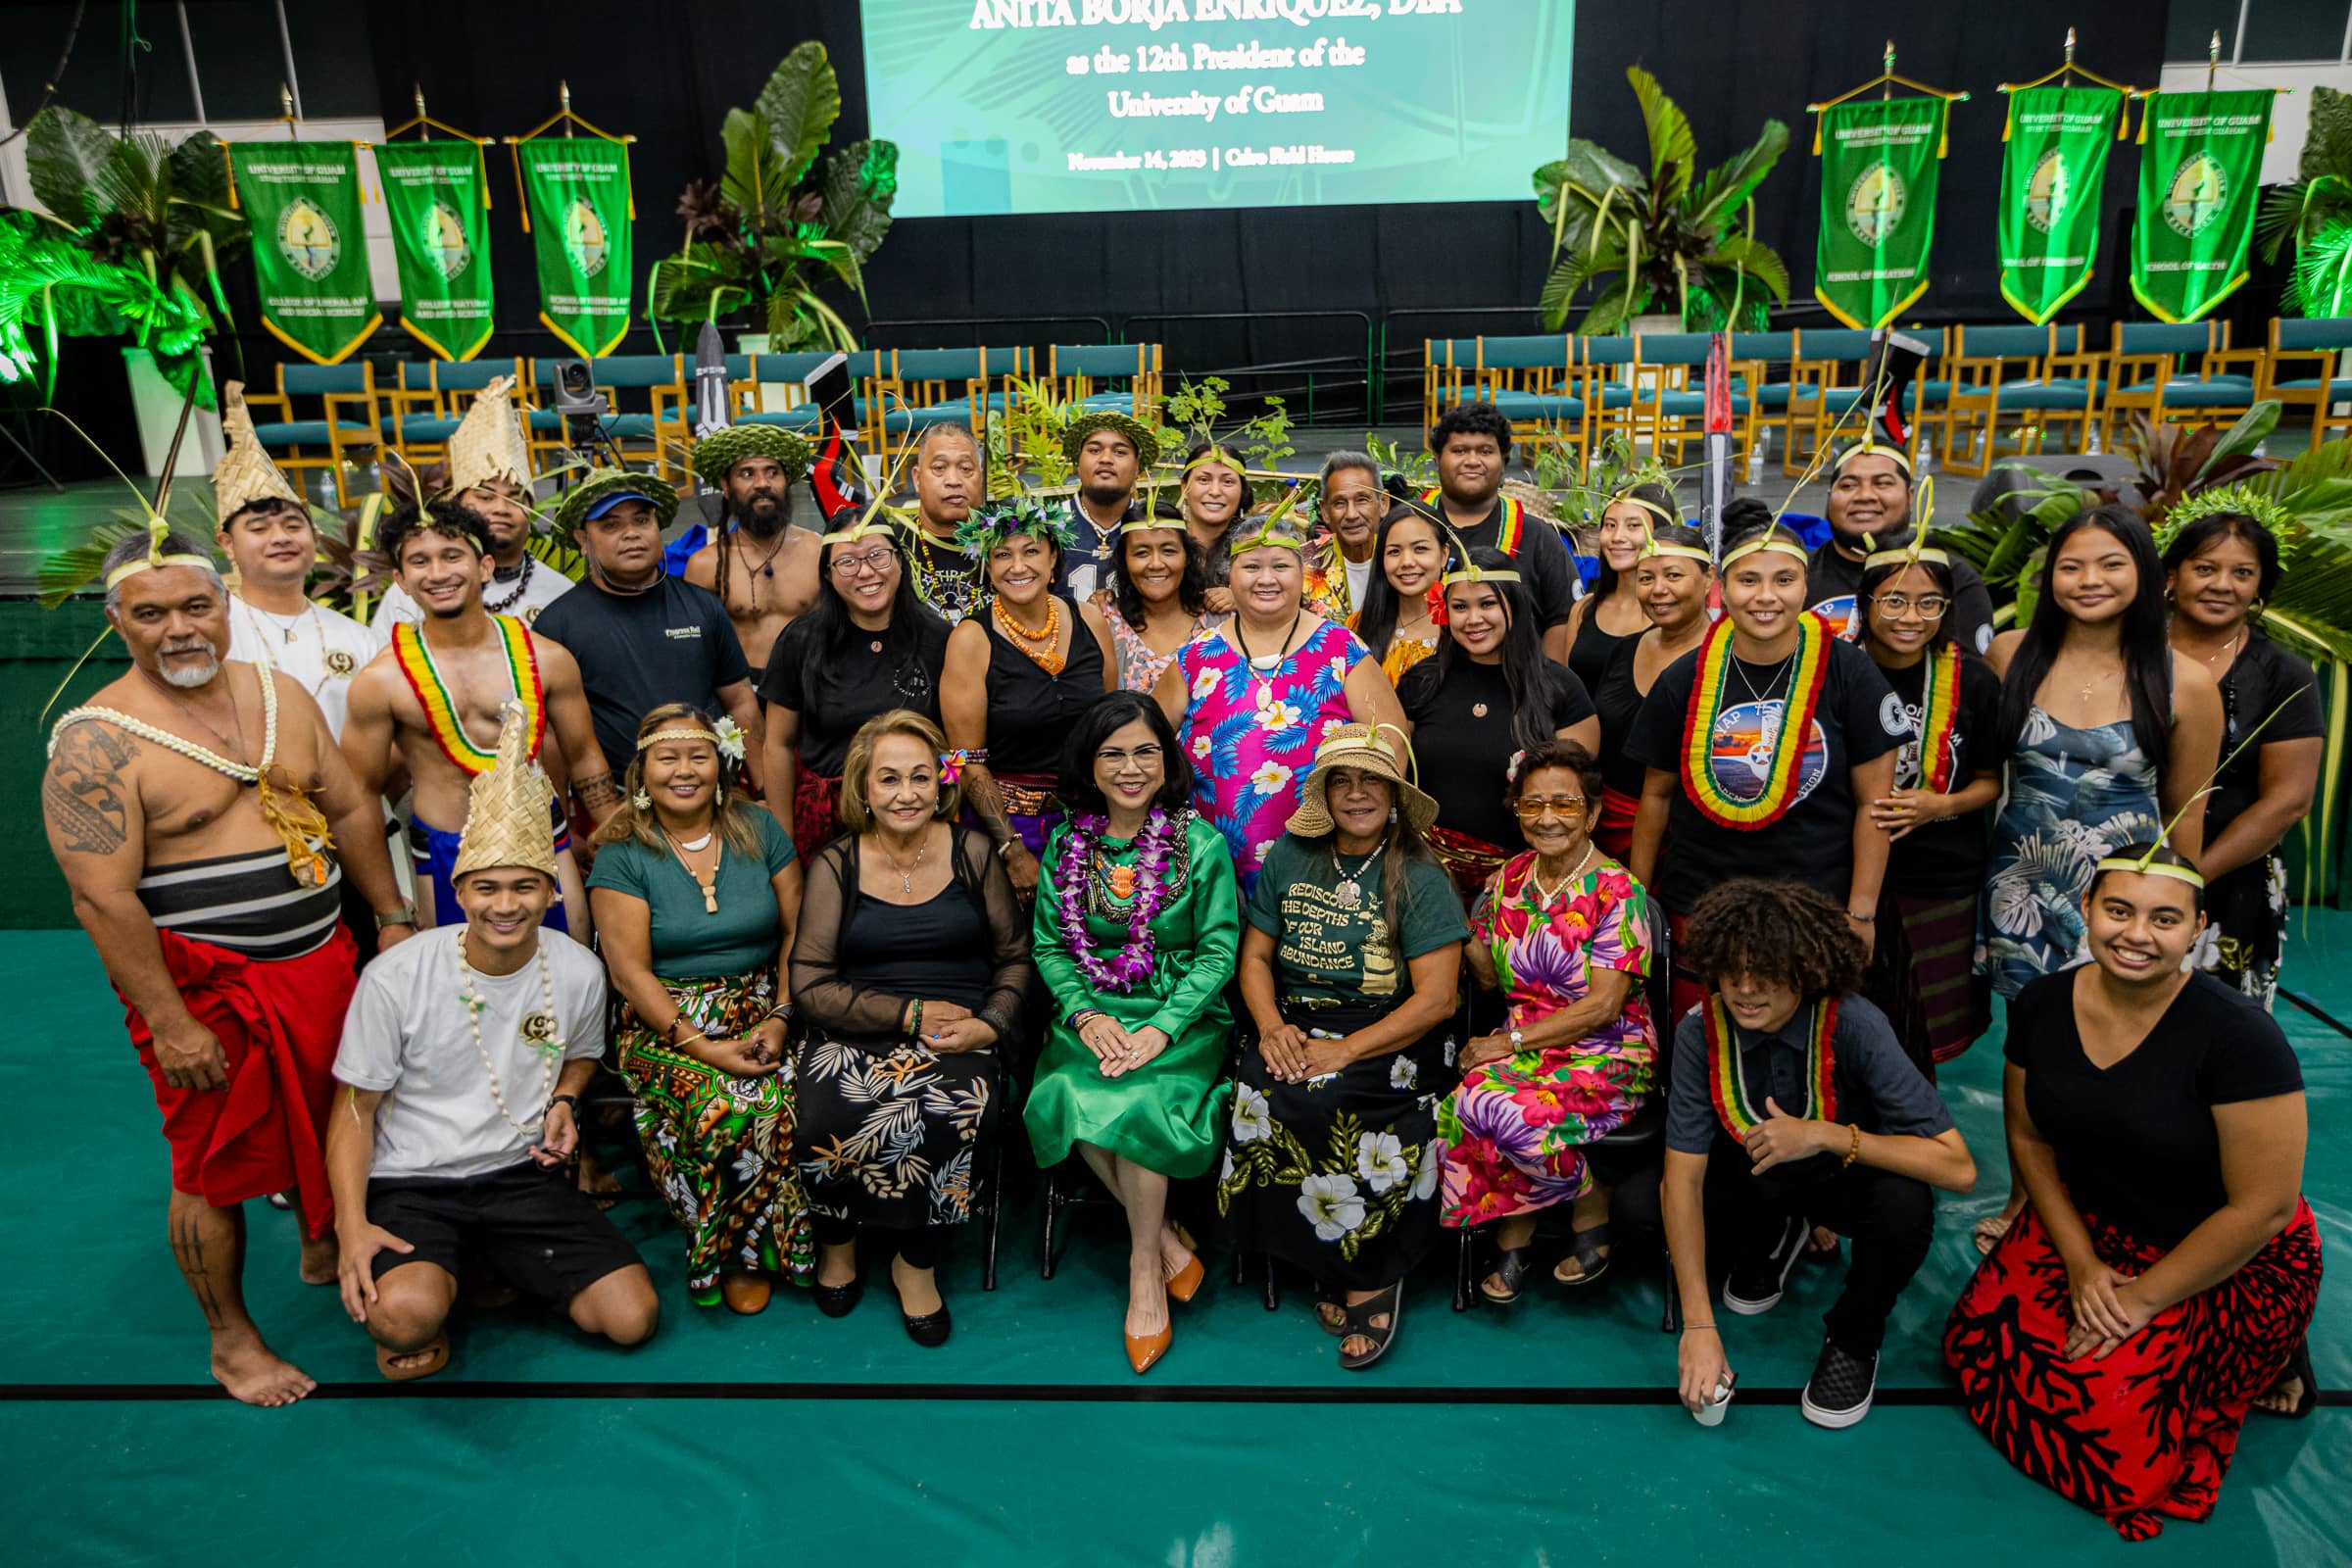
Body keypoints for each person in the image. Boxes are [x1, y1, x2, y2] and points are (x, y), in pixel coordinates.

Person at [44, 528, 416, 1405]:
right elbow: (102, 900)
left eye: (195, 606)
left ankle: (324, 1245)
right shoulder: (98, 744)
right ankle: (232, 1340)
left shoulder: (278, 692)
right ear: (116, 621)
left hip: (323, 960)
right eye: (151, 612)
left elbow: (352, 804)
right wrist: (171, 1022)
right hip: (207, 991)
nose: (178, 628)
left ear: (225, 608)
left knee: (343, 1109)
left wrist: (392, 920)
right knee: (210, 1168)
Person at [1945, 846, 2319, 1540]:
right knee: (1974, 1349)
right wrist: (2082, 1264)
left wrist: (2141, 1300)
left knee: (2116, 1458)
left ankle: (2277, 1346)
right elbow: (2029, 1141)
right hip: (2095, 1224)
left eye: (2165, 918)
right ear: (2086, 909)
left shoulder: (2242, 1038)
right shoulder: (2043, 1003)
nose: (2137, 934)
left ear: (2198, 928)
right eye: (2118, 910)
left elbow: (2263, 1209)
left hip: (2218, 1248)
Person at [327, 706, 658, 1381]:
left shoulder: (574, 965)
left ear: (548, 893)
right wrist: (350, 1225)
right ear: (459, 890)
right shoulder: (397, 975)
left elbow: (582, 1054)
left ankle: (481, 1260)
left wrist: (566, 1099)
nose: (504, 905)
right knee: (401, 1323)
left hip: (519, 1175)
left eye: (524, 886)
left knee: (631, 1320)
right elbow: (354, 1108)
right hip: (414, 1181)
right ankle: (456, 1268)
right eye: (486, 887)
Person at [1658, 879, 1975, 1430]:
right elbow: (1679, 1182)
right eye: (1732, 972)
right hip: (1761, 1177)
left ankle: (1853, 1339)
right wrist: (1699, 1328)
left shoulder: (1856, 1023)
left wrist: (1828, 1136)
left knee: (1905, 1208)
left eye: (1768, 975)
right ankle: (1780, 1232)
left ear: (1804, 972)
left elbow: (1958, 1167)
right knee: (1664, 1197)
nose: (1746, 990)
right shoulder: (1700, 1031)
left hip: (1846, 1177)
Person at [1220, 726, 1467, 1369]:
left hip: (1395, 1029)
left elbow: (1438, 999)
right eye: (1342, 780)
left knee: (1339, 1098)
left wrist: (1349, 1048)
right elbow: (1255, 958)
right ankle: (1322, 1250)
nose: (1356, 793)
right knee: (1260, 1087)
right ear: (1324, 793)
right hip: (1297, 1018)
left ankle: (1373, 1272)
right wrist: (1272, 1026)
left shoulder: (1419, 873)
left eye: (1371, 780)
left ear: (1393, 793)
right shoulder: (1291, 856)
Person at [789, 710, 1030, 1346]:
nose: (906, 794)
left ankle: (914, 1259)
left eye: (921, 777)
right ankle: (837, 1239)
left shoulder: (973, 852)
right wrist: (907, 1015)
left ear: (943, 783)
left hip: (961, 1032)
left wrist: (992, 1025)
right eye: (889, 779)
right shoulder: (835, 865)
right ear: (863, 789)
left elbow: (1014, 958)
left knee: (956, 1107)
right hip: (856, 1022)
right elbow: (810, 985)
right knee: (823, 1107)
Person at [1028, 693, 1240, 1374]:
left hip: (1181, 1018)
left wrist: (1161, 1030)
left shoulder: (1199, 844)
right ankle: (1168, 1245)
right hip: (1091, 1012)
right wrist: (1086, 1016)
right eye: (1112, 753)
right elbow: (1052, 947)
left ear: (1167, 760)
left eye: (1145, 751)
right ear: (1090, 767)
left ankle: (1144, 1266)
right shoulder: (1066, 844)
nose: (1129, 767)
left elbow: (1216, 952)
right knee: (1066, 1087)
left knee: (1142, 1099)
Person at [1625, 518, 1903, 1019]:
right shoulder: (1684, 677)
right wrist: (1637, 902)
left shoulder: (1850, 673)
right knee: (1701, 1052)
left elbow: (1875, 804)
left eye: (1784, 579)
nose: (1765, 597)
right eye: (1748, 580)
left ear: (1805, 586)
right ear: (1721, 587)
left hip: (1816, 907)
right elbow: (1657, 797)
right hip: (1702, 903)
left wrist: (1861, 911)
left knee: (1810, 1062)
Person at [587, 705, 810, 1313]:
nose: (684, 771)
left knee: (798, 1093)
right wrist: (701, 1046)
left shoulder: (759, 829)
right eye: (667, 758)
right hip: (666, 1023)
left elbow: (800, 933)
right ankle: (730, 1254)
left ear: (722, 763)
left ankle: (796, 1245)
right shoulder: (622, 851)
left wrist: (782, 1015)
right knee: (724, 1106)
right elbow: (629, 972)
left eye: (698, 755)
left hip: (767, 1004)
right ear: (641, 771)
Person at [1438, 740, 1654, 1300]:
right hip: (1528, 1047)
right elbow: (1487, 978)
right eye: (1532, 805)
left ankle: (1541, 1220)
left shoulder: (1618, 890)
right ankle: (1579, 1195)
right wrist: (1458, 911)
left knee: (1502, 1106)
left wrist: (1509, 1042)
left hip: (1607, 1050)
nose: (1548, 818)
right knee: (1465, 1101)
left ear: (1594, 813)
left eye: (1564, 804)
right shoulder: (1509, 878)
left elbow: (1604, 1006)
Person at [343, 498, 610, 934]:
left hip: (544, 843)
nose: (438, 573)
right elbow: (357, 798)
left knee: (566, 983)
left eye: (452, 555)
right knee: (459, 997)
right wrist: (390, 911)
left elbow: (584, 758)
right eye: (419, 561)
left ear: (484, 566)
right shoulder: (382, 681)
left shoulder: (548, 658)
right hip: (446, 853)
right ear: (400, 581)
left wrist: (614, 833)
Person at [1153, 503, 1405, 896]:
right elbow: (1145, 739)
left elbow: (1392, 741)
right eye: (1251, 567)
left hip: (1324, 867)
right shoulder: (1195, 656)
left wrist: (1372, 836)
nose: (1265, 579)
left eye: (1281, 566)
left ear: (1303, 575)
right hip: (1212, 875)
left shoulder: (1341, 648)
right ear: (1229, 575)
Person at [2160, 493, 2324, 1004]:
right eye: (2205, 568)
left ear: (2259, 589)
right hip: (2109, 866)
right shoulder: (2126, 652)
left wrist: (2186, 879)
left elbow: (2288, 801)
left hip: (2228, 880)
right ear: (2171, 575)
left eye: (2242, 573)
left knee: (2212, 1036)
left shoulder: (2283, 674)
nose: (2222, 586)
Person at [1849, 541, 2004, 1073]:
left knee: (1926, 1030)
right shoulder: (1836, 671)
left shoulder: (1975, 680)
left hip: (1940, 876)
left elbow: (1990, 781)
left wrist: (1939, 805)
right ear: (1865, 603)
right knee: (1849, 1016)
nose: (1910, 617)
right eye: (1893, 601)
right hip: (1846, 875)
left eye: (1929, 603)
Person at [534, 469, 765, 786]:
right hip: (617, 804)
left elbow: (740, 700)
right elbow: (553, 741)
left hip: (716, 792)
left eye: (642, 521)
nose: (631, 534)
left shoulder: (702, 606)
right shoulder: (555, 626)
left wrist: (763, 789)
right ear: (583, 541)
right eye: (611, 525)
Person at [1398, 547, 1598, 898]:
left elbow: (1577, 804)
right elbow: (1396, 781)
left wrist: (1524, 869)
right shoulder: (1422, 683)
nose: (1473, 619)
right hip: (1424, 878)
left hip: (1530, 885)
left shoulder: (1559, 688)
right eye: (1460, 607)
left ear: (1514, 606)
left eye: (1487, 604)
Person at [941, 500, 1117, 898]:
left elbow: (1110, 726)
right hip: (1006, 830)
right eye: (1002, 554)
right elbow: (963, 760)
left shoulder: (1089, 620)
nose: (1017, 567)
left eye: (1031, 551)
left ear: (1054, 557)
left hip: (1088, 820)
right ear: (987, 565)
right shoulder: (970, 639)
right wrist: (1011, 849)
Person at [760, 510, 954, 862]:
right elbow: (777, 744)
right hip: (826, 825)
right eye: (847, 562)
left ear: (900, 561)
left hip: (917, 816)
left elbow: (955, 742)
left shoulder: (939, 639)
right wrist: (782, 844)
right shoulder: (802, 640)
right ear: (828, 575)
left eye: (878, 555)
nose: (866, 572)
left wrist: (948, 804)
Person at [214, 385, 382, 739]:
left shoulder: (359, 639)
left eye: (293, 526)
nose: (280, 538)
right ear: (227, 544)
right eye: (259, 528)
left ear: (314, 537)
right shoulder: (213, 634)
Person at [371, 376, 574, 630]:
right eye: (485, 496)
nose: (500, 508)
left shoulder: (561, 593)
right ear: (457, 506)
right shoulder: (418, 589)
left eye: (514, 499)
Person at [1590, 521, 1714, 859]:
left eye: (1673, 576)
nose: (1658, 589)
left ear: (1708, 579)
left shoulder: (1725, 658)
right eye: (1646, 578)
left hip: (1692, 838)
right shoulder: (1624, 650)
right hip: (1609, 828)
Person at [1422, 402, 1579, 660]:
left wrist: (1547, 687)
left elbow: (1562, 618)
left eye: (1485, 451)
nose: (1472, 461)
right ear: (1437, 459)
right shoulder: (1409, 529)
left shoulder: (1538, 537)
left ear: (1504, 461)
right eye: (1459, 450)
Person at [1808, 441, 1993, 654]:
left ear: (1910, 495)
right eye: (1849, 485)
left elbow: (1966, 675)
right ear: (1830, 495)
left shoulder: (1950, 575)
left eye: (1883, 483)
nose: (1865, 495)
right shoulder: (1796, 573)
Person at [681, 422, 821, 677]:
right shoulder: (706, 564)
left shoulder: (818, 551)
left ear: (786, 480)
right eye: (747, 474)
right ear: (726, 485)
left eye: (772, 472)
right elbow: (694, 649)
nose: (762, 484)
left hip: (809, 686)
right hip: (742, 692)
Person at [1563, 469, 1680, 691]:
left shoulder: (1672, 615)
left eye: (1633, 526)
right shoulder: (1583, 610)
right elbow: (1568, 694)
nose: (1617, 537)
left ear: (1661, 533)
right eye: (1610, 525)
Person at [1105, 511, 1215, 694]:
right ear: (1124, 560)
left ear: (1187, 557)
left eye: (1168, 551)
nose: (1156, 564)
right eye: (1141, 553)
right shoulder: (1104, 622)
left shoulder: (1220, 621)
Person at [1056, 412, 1156, 602]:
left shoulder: (1152, 527)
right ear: (1077, 464)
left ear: (1137, 468)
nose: (1106, 459)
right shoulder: (1050, 525)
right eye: (1094, 450)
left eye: (1120, 452)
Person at [899, 422, 991, 626]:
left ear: (982, 478)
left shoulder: (1003, 544)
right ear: (917, 478)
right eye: (939, 468)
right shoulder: (892, 547)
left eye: (966, 468)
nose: (953, 480)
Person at [1352, 502, 1448, 686]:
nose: (1406, 562)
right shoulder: (1356, 628)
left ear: (1444, 555)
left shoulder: (1461, 628)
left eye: (1420, 549)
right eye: (1394, 551)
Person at [1302, 450, 1385, 623]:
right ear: (1325, 511)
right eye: (1339, 503)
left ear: (1383, 504)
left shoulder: (1403, 561)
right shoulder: (1300, 563)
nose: (1352, 514)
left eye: (1362, 499)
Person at [1176, 439, 1247, 612]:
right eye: (1204, 479)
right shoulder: (1165, 539)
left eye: (1228, 482)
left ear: (1242, 490)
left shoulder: (1256, 544)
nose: (1215, 491)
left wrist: (1243, 600)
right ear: (1184, 487)